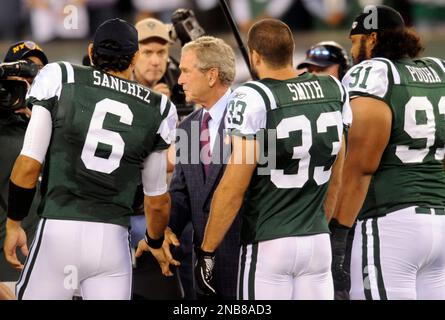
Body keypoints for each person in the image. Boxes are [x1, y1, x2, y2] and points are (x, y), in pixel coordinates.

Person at [3, 18, 177, 300]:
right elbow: (156, 200)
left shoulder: (61, 76)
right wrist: (154, 240)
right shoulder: (159, 106)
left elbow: (28, 164)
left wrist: (14, 224)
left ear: (92, 50)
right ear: (134, 57)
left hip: (59, 231)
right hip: (113, 243)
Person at [196, 19, 351, 300]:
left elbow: (233, 187)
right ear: (291, 50)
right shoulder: (333, 89)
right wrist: (318, 222)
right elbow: (337, 173)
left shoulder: (252, 95)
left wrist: (207, 250)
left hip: (269, 241)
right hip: (317, 241)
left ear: (254, 55)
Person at [331, 5, 445, 300]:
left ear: (372, 38)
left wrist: (339, 235)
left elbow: (360, 168)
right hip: (440, 221)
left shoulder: (373, 75)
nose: (352, 50)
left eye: (355, 41)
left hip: (390, 222)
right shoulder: (439, 70)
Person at [138, 36, 241, 300]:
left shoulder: (250, 118)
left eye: (185, 71)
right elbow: (182, 192)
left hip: (246, 258)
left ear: (211, 76)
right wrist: (163, 231)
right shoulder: (188, 126)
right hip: (203, 265)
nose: (179, 80)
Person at [131, 16, 183, 300]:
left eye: (161, 52)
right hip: (130, 206)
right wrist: (149, 109)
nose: (155, 60)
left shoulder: (183, 84)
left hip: (173, 203)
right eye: (147, 52)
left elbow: (183, 157)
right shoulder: (117, 84)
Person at [0, 41, 48, 299]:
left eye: (39, 71)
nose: (31, 78)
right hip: (7, 266)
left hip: (50, 265)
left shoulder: (57, 126)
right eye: (24, 71)